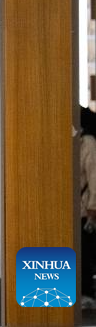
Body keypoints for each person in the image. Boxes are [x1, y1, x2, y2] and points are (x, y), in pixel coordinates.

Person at [81, 107, 96, 308]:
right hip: (71, 208)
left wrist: (93, 206)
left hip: (84, 208)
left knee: (84, 250)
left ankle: (85, 293)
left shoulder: (88, 143)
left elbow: (94, 176)